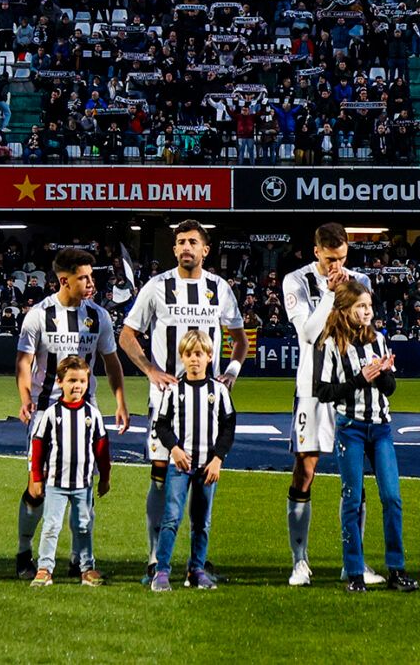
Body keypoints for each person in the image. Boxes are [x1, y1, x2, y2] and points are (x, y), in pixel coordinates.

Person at [121, 220, 247, 575]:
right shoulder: (157, 287)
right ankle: (153, 557)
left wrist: (231, 375)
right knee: (161, 472)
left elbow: (240, 341)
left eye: (193, 241)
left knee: (204, 476)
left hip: (207, 403)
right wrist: (150, 371)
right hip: (166, 400)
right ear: (174, 249)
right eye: (180, 242)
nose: (186, 247)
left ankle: (197, 559)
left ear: (206, 250)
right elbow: (127, 336)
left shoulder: (220, 288)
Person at [14, 247, 128, 580]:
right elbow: (23, 361)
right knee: (38, 487)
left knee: (83, 486)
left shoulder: (99, 316)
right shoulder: (38, 314)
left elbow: (111, 361)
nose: (91, 283)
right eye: (84, 277)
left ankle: (79, 559)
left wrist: (119, 401)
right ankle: (24, 553)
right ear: (64, 280)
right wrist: (24, 397)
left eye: (92, 276)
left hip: (86, 415)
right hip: (46, 413)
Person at [282, 222, 372, 587]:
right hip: (313, 388)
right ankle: (299, 561)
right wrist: (330, 296)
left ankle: (354, 562)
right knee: (306, 469)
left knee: (354, 475)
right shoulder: (296, 282)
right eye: (332, 258)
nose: (338, 266)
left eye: (343, 258)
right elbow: (308, 333)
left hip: (351, 387)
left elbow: (364, 328)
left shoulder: (359, 279)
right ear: (316, 251)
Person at [313, 280, 414, 594]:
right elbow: (323, 391)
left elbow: (390, 389)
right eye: (361, 306)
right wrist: (360, 379)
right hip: (351, 429)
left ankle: (396, 570)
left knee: (392, 498)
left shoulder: (380, 340)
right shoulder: (329, 344)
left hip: (381, 428)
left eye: (369, 306)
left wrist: (384, 374)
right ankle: (354, 571)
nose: (367, 311)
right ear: (345, 310)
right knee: (352, 500)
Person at [150, 331, 236, 591]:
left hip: (207, 467)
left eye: (199, 354)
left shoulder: (218, 391)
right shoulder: (174, 390)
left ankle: (196, 569)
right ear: (182, 357)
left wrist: (218, 459)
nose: (194, 360)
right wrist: (174, 449)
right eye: (188, 354)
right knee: (171, 518)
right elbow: (162, 425)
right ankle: (161, 571)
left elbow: (228, 426)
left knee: (202, 521)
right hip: (180, 466)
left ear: (209, 357)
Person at [27, 354, 113, 587]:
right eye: (72, 381)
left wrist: (104, 477)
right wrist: (36, 478)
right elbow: (38, 448)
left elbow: (102, 448)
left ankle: (87, 568)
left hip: (83, 484)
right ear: (60, 382)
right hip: (55, 483)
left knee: (84, 525)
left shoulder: (92, 415)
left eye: (82, 381)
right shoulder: (51, 414)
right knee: (51, 526)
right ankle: (45, 568)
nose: (77, 386)